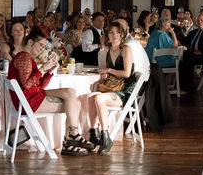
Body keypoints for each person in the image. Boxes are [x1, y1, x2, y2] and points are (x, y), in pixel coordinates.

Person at [9, 33, 91, 156]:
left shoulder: (27, 57)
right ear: (30, 42)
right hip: (28, 102)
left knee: (72, 94)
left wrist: (49, 71)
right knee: (76, 103)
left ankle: (71, 137)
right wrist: (43, 68)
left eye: (43, 47)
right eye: (40, 45)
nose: (42, 49)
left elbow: (39, 85)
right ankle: (70, 139)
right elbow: (27, 85)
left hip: (33, 95)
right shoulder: (24, 57)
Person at [82, 23, 135, 154]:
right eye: (111, 32)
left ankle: (105, 136)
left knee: (99, 98)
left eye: (117, 32)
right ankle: (94, 134)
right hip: (112, 87)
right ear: (107, 36)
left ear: (122, 35)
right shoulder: (108, 49)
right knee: (90, 97)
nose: (114, 35)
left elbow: (127, 73)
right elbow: (107, 72)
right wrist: (104, 75)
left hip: (125, 90)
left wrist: (109, 70)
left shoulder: (126, 49)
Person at [179, 11, 203, 95]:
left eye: (202, 20)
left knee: (188, 59)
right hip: (193, 54)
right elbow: (185, 40)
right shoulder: (194, 31)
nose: (200, 22)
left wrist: (202, 51)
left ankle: (189, 88)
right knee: (181, 59)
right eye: (198, 21)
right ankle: (182, 86)